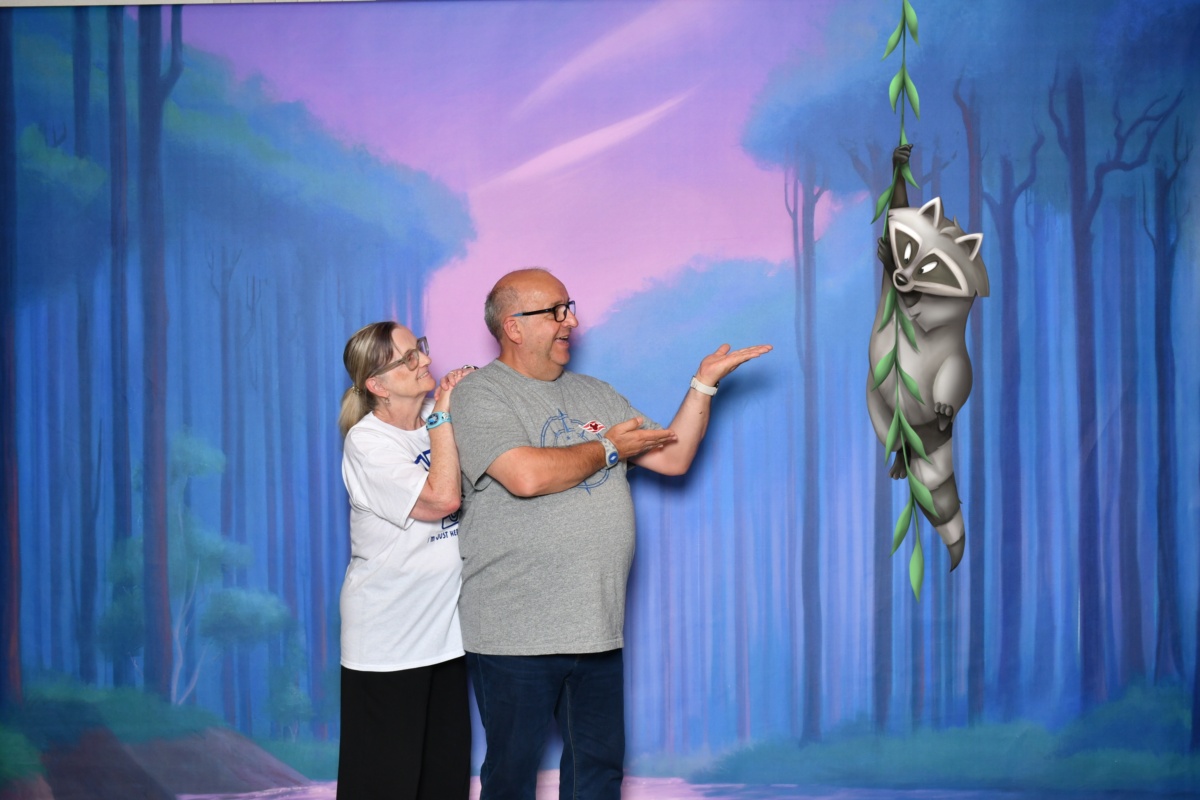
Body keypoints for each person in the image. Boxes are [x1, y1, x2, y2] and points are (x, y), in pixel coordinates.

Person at [450, 268, 772, 800]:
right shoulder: (481, 394)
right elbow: (524, 475)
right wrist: (610, 449)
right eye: (555, 312)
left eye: (569, 307)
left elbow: (672, 456)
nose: (571, 322)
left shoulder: (595, 393)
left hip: (596, 626)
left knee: (598, 775)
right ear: (513, 326)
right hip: (515, 631)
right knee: (511, 778)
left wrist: (703, 385)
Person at [335, 321, 474, 800]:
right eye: (409, 358)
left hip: (446, 639)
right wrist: (445, 416)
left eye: (421, 349)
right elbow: (441, 500)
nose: (426, 361)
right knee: (383, 787)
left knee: (445, 783)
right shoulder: (368, 442)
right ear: (377, 385)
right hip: (388, 644)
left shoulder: (439, 414)